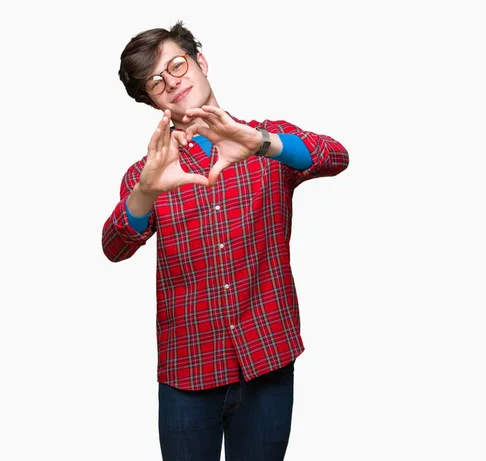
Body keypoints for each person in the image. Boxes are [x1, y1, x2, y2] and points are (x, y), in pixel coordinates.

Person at [102, 20, 349, 461]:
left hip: (268, 358)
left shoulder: (266, 141)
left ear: (201, 62)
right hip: (188, 372)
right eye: (156, 82)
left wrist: (263, 143)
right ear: (152, 102)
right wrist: (146, 190)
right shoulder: (152, 174)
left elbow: (336, 156)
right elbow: (114, 247)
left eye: (177, 64)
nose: (172, 81)